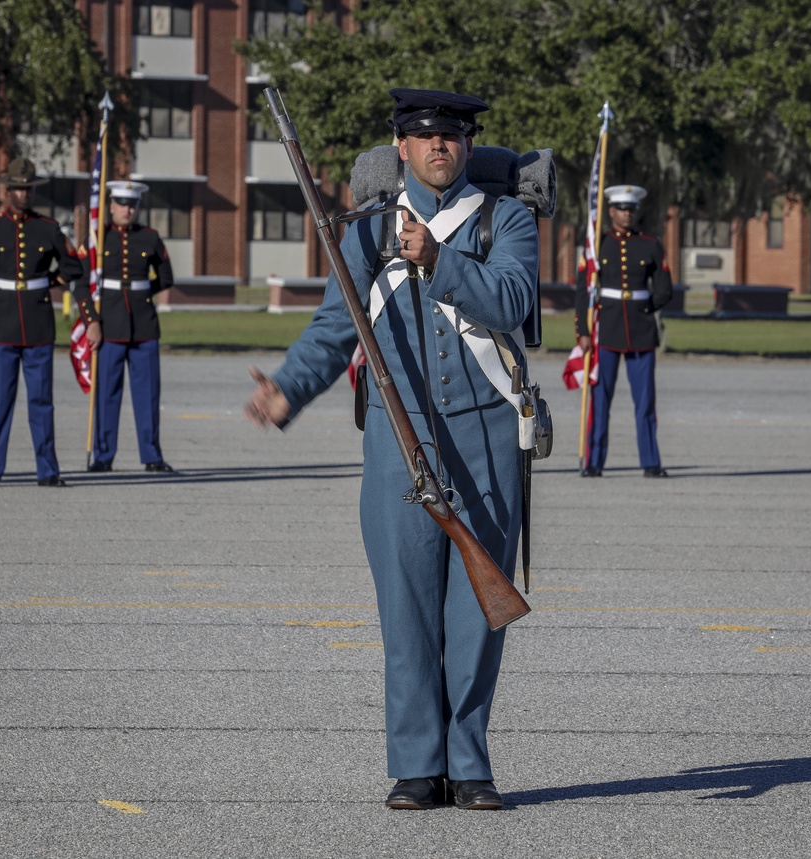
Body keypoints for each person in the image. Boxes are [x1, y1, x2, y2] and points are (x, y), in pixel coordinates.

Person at [244, 88, 540, 810]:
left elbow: (513, 302)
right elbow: (333, 325)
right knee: (405, 610)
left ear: (467, 146)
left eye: (453, 135)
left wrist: (442, 261)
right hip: (394, 441)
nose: (440, 146)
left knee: (476, 611)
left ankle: (468, 763)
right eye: (425, 135)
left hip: (487, 434)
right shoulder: (370, 232)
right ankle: (416, 763)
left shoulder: (508, 219)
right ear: (400, 147)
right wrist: (289, 388)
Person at [0, 157, 83, 487]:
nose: (25, 194)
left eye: (29, 189)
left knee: (41, 401)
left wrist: (48, 281)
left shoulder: (47, 229)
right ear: (7, 191)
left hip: (38, 326)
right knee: (0, 401)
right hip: (1, 325)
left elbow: (74, 267)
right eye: (19, 188)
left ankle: (48, 470)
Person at [75, 180, 175, 473]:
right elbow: (81, 285)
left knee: (148, 395)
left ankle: (152, 455)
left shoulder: (150, 237)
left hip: (143, 325)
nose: (127, 210)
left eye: (132, 205)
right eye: (121, 204)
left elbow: (166, 278)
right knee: (107, 393)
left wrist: (142, 293)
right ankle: (103, 456)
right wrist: (91, 320)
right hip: (109, 324)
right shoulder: (97, 239)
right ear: (111, 207)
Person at [575, 184, 673, 478]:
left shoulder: (651, 244)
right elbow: (583, 291)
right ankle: (594, 461)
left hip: (641, 329)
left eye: (631, 209)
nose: (626, 214)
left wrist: (646, 308)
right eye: (620, 208)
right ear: (611, 211)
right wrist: (583, 329)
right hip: (606, 329)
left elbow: (665, 288)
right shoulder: (596, 245)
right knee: (600, 400)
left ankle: (651, 462)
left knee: (645, 402)